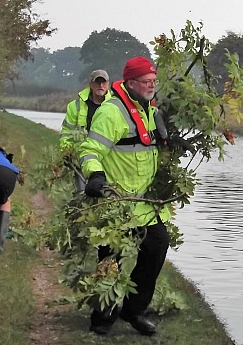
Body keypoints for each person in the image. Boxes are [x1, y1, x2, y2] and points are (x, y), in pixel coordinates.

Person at [79, 56, 169, 336]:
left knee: (156, 249)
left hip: (144, 205)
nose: (152, 86)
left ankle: (134, 311)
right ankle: (102, 317)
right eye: (146, 82)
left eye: (154, 81)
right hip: (116, 203)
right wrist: (95, 175)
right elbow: (90, 149)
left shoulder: (149, 110)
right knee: (110, 261)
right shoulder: (112, 113)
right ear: (130, 83)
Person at [59, 69, 111, 191]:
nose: (101, 85)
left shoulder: (116, 105)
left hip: (107, 162)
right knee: (81, 196)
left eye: (104, 82)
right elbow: (66, 132)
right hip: (80, 160)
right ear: (90, 84)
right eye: (97, 82)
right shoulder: (75, 106)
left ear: (108, 84)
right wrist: (66, 153)